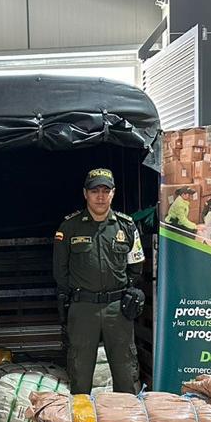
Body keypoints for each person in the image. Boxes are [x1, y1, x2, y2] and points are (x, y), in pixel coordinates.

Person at [54, 168, 145, 395]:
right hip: (83, 308)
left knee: (125, 371)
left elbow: (136, 265)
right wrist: (78, 292)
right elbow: (60, 271)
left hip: (118, 309)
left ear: (113, 193)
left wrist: (127, 290)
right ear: (86, 193)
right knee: (80, 371)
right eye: (95, 191)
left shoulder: (126, 226)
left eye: (106, 190)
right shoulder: (70, 227)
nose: (101, 196)